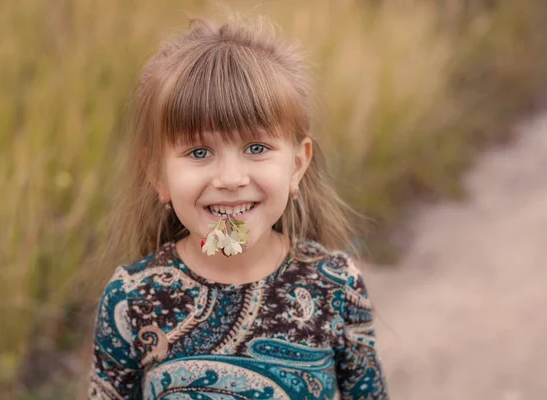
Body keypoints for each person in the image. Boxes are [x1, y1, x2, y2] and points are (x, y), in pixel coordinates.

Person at [88, 14, 389, 399]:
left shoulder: (335, 286)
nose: (230, 179)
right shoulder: (133, 300)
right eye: (199, 152)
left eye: (256, 148)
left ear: (297, 164)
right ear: (158, 175)